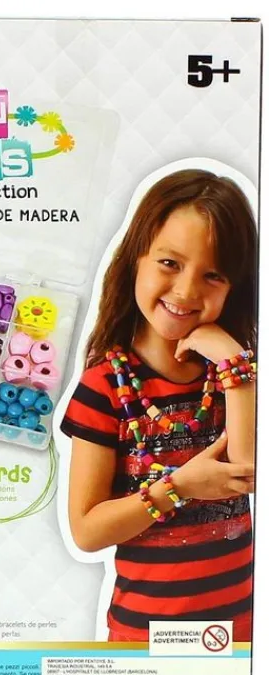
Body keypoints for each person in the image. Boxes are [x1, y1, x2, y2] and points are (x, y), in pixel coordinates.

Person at [60, 169, 257, 642]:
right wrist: (180, 486)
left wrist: (235, 366)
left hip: (239, 638)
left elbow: (247, 470)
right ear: (136, 259)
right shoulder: (105, 387)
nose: (187, 291)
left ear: (234, 287)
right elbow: (87, 532)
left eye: (213, 275)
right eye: (170, 263)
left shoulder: (235, 378)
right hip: (144, 641)